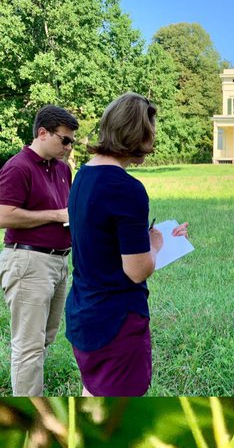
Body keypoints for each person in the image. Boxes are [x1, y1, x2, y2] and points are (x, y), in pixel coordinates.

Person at [64, 92, 188, 397]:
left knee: (92, 393)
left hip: (83, 311)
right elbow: (137, 270)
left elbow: (102, 238)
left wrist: (146, 237)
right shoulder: (126, 188)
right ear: (137, 134)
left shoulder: (83, 175)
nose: (153, 142)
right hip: (115, 322)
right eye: (150, 133)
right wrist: (155, 246)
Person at [0, 105, 78, 396]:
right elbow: (3, 216)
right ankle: (33, 413)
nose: (68, 147)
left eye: (71, 141)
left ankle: (35, 393)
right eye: (64, 140)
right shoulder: (18, 167)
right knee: (28, 345)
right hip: (27, 260)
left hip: (58, 262)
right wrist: (55, 215)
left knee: (44, 338)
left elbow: (66, 212)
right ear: (42, 133)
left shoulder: (62, 169)